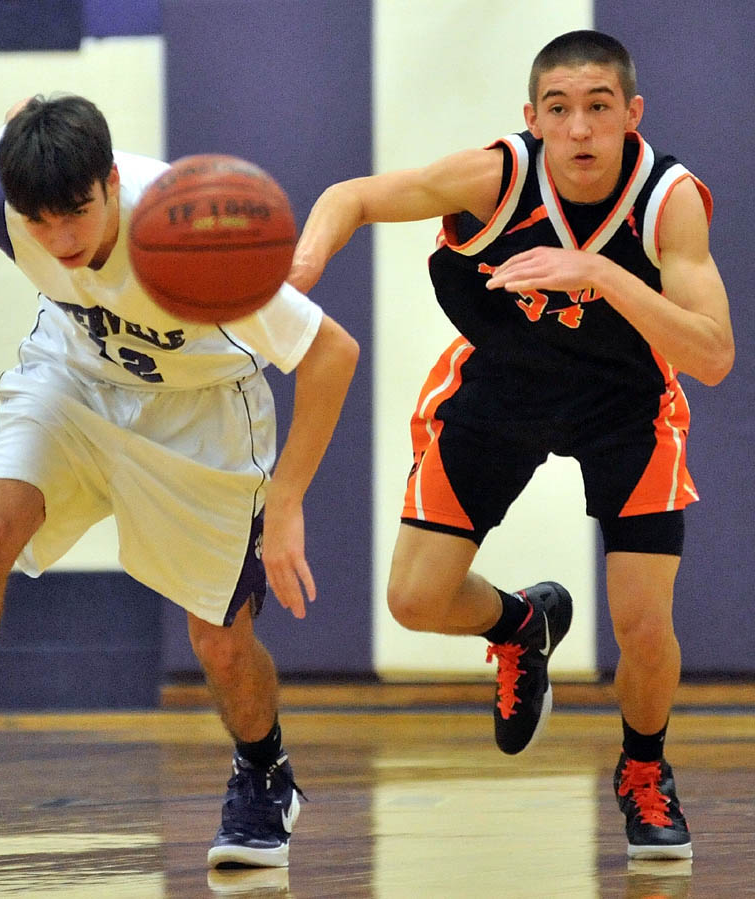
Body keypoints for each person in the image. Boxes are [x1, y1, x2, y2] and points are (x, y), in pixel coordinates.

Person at [288, 30, 734, 860]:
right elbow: (352, 194)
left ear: (631, 115)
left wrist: (599, 274)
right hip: (501, 385)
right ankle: (521, 623)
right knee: (415, 600)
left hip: (625, 402)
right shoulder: (496, 176)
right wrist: (302, 265)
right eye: (559, 111)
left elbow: (711, 355)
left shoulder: (666, 198)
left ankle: (644, 770)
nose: (579, 130)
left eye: (599, 108)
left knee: (642, 619)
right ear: (532, 118)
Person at [0, 94, 359, 870]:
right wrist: (25, 117)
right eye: (41, 222)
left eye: (77, 212)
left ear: (111, 181)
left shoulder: (191, 235)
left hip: (201, 414)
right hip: (71, 376)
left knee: (216, 639)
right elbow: (16, 127)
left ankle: (265, 769)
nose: (60, 239)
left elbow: (332, 354)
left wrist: (288, 497)